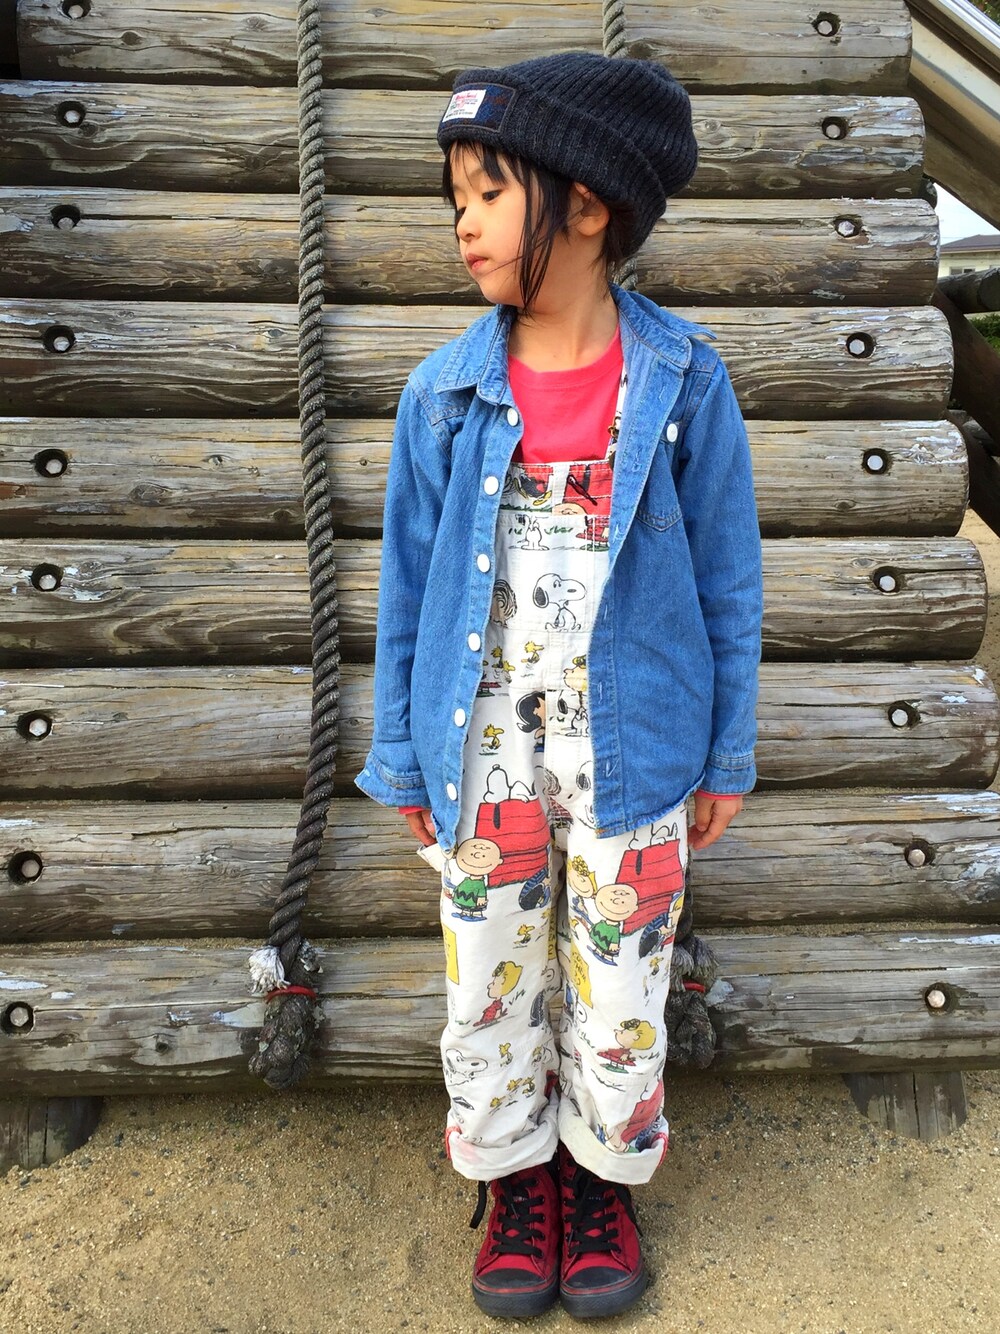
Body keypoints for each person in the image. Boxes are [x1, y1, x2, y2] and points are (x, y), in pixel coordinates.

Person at [355, 50, 764, 1321]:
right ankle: (514, 1175)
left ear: (585, 204)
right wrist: (402, 755)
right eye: (455, 200)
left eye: (487, 192)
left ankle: (599, 1177)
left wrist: (726, 753)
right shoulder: (442, 395)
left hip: (637, 753)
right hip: (479, 752)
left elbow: (728, 580)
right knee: (488, 977)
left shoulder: (685, 384)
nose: (463, 222)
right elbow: (406, 593)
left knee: (621, 984)